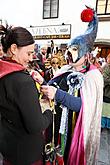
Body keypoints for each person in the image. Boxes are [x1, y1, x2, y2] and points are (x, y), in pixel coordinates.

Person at [36, 7, 104, 165]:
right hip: (58, 125)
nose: (69, 53)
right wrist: (42, 82)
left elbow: (83, 107)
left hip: (74, 132)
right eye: (69, 49)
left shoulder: (93, 76)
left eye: (75, 49)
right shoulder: (65, 69)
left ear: (86, 55)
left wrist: (58, 94)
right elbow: (53, 90)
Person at [0, 25, 53, 165]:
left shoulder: (4, 71)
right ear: (13, 49)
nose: (31, 58)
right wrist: (49, 112)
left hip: (8, 145)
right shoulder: (22, 81)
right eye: (28, 53)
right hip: (27, 152)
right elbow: (35, 126)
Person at [101, 53, 110, 129]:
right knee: (105, 111)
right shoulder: (107, 67)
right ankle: (104, 125)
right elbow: (104, 79)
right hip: (106, 94)